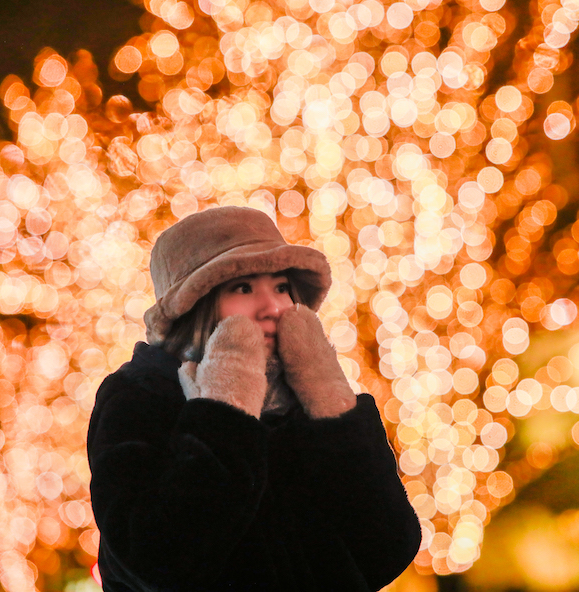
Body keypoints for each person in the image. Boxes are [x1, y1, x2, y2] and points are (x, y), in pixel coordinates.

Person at [87, 206, 422, 591]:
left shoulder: (298, 401)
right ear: (195, 306)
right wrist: (225, 409)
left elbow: (387, 550)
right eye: (243, 288)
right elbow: (155, 561)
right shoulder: (141, 395)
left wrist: (330, 401)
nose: (272, 308)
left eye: (280, 287)